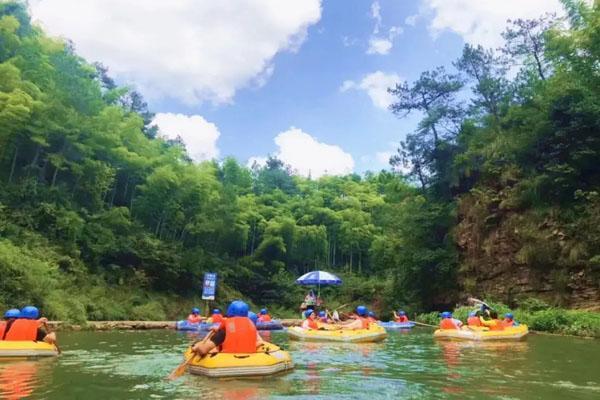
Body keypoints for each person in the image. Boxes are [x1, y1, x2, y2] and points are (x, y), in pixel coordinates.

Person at [192, 300, 263, 356]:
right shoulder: (252, 327)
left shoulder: (224, 331)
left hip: (227, 360)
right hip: (250, 359)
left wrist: (196, 347)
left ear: (229, 312)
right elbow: (259, 342)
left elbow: (203, 351)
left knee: (208, 345)